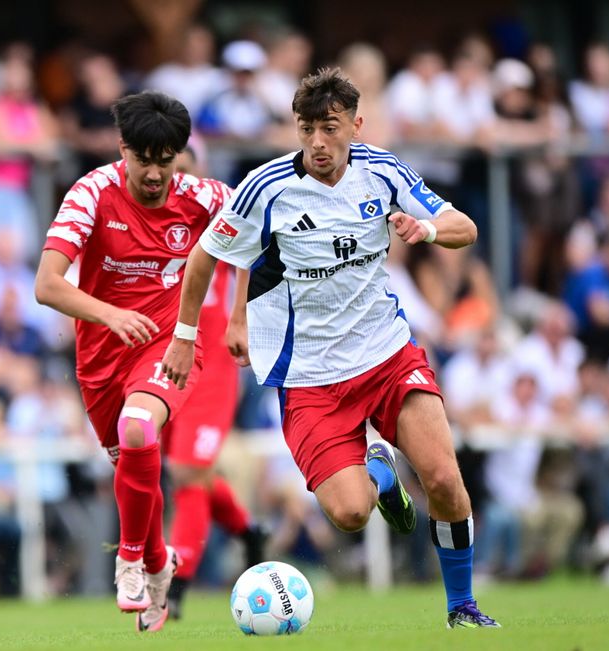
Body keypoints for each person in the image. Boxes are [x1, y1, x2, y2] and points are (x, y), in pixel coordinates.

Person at [162, 67, 500, 628]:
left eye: (330, 127)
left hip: (387, 354)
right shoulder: (265, 188)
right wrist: (189, 332)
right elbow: (208, 257)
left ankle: (461, 607)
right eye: (306, 128)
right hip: (309, 376)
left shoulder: (383, 171)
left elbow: (462, 225)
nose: (318, 142)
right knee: (348, 513)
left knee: (443, 478)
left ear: (355, 125)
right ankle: (380, 474)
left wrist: (429, 232)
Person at [33, 91, 230, 632]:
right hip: (101, 357)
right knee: (130, 462)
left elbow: (259, 238)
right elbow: (47, 286)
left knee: (140, 428)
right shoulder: (91, 192)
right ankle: (158, 561)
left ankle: (128, 559)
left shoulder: (205, 197)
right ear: (123, 148)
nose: (154, 174)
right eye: (144, 160)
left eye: (165, 161)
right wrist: (110, 316)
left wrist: (236, 319)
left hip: (167, 344)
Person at [162, 145, 264, 619]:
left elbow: (250, 252)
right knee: (187, 473)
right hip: (161, 358)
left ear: (199, 171)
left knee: (187, 473)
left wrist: (239, 316)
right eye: (168, 169)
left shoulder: (217, 212)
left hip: (211, 360)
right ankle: (248, 531)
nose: (174, 178)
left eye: (184, 169)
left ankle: (176, 583)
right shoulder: (148, 218)